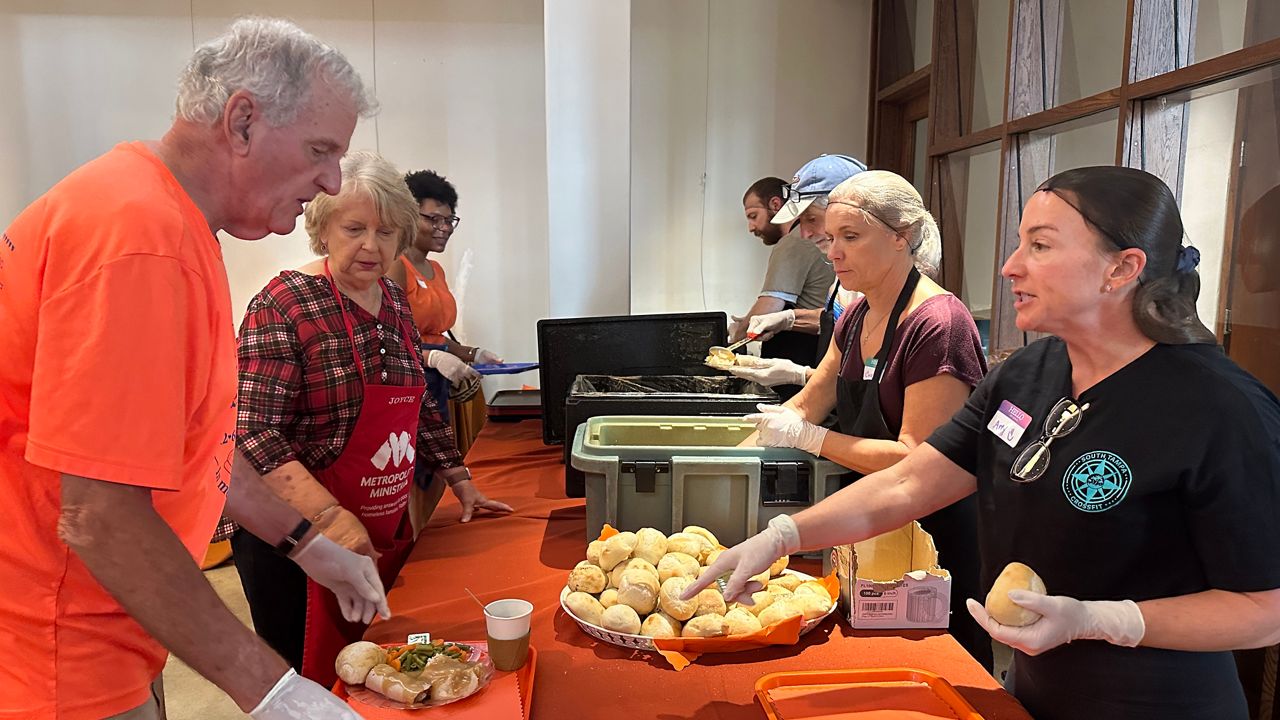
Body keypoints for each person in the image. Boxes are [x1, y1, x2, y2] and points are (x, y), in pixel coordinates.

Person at [688, 166, 1280, 719]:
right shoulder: (1027, 375)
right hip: (1033, 690)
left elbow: (1266, 609)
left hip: (1160, 703)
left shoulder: (1220, 409)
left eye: (1040, 246)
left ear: (1122, 268)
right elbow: (912, 480)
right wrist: (784, 536)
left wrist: (1104, 620)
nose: (1010, 266)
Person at [0, 17, 384, 719]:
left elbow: (199, 446)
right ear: (242, 122)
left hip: (114, 632)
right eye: (320, 150)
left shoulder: (170, 220)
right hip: (54, 656)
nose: (331, 180)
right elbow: (100, 516)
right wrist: (272, 690)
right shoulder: (139, 237)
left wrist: (305, 543)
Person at [233, 151, 514, 688]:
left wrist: (460, 479)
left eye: (386, 233)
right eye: (354, 228)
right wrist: (330, 520)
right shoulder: (284, 302)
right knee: (308, 679)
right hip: (293, 540)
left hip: (374, 525)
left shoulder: (391, 299)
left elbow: (414, 402)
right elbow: (253, 433)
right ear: (322, 230)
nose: (371, 245)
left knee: (373, 668)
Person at [738, 170, 991, 667]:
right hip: (869, 517)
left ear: (902, 237)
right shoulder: (856, 317)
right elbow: (806, 404)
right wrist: (739, 452)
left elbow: (914, 461)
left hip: (934, 537)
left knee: (934, 666)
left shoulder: (938, 324)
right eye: (831, 238)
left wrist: (812, 439)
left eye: (851, 237)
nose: (833, 253)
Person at [730, 155, 868, 389]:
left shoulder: (889, 281)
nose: (804, 233)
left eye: (812, 219)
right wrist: (788, 320)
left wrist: (800, 376)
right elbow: (839, 319)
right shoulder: (843, 278)